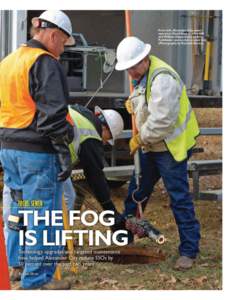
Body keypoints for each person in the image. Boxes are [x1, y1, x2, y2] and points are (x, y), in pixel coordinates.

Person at [1, 104, 126, 286]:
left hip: (13, 147)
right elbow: (96, 179)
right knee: (47, 211)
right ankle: (43, 255)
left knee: (15, 209)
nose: (106, 143)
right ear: (105, 128)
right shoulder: (90, 135)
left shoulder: (78, 111)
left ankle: (16, 264)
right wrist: (113, 217)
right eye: (109, 139)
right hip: (45, 160)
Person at [0, 10, 75, 289]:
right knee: (43, 215)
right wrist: (63, 151)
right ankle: (37, 280)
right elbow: (53, 116)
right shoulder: (45, 62)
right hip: (37, 153)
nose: (63, 50)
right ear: (53, 34)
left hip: (9, 149)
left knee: (21, 209)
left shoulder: (9, 61)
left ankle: (17, 266)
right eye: (64, 43)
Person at [115, 36, 201, 270]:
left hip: (170, 148)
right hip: (151, 146)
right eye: (127, 69)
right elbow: (148, 108)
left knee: (179, 198)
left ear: (144, 59)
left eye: (132, 67)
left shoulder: (163, 79)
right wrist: (135, 105)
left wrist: (139, 138)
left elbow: (163, 121)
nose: (130, 73)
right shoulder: (143, 76)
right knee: (136, 193)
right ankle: (125, 240)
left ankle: (189, 250)